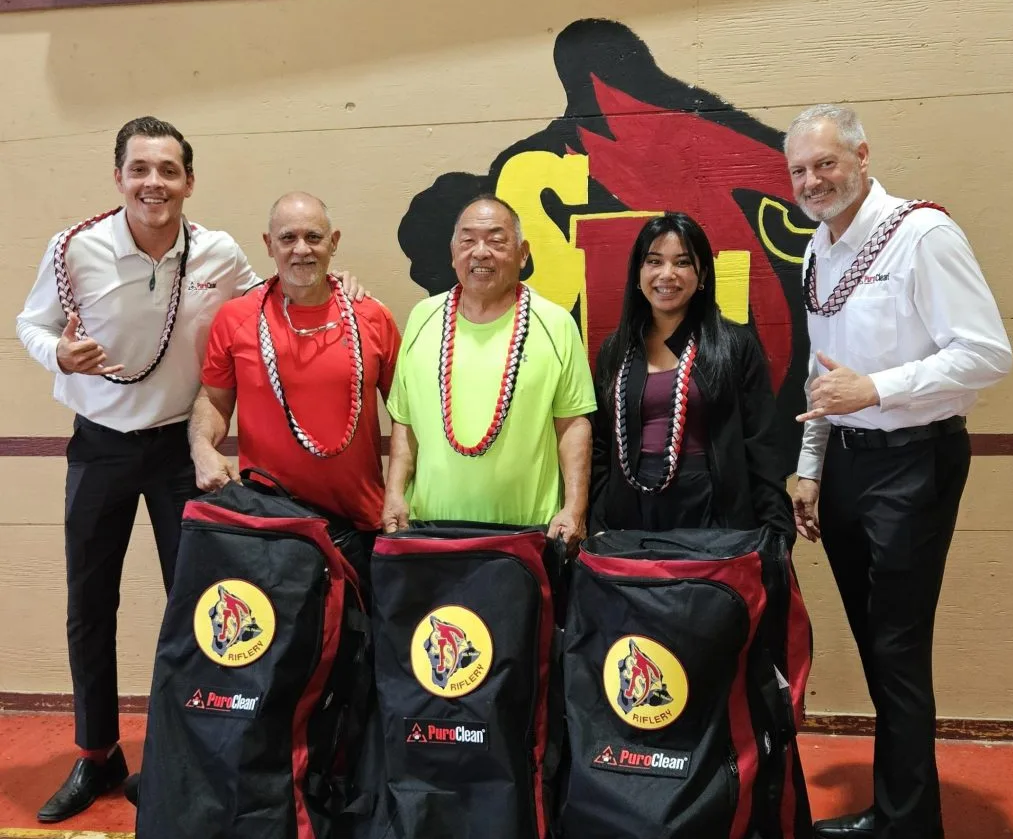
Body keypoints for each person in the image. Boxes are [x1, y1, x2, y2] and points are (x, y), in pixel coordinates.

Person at [15, 117, 364, 824]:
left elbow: (271, 293)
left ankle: (181, 750)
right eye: (140, 168)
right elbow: (32, 323)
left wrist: (336, 280)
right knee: (91, 603)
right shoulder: (73, 248)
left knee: (197, 606)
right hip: (101, 443)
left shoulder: (216, 251)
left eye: (168, 170)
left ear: (189, 182)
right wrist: (58, 354)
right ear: (118, 177)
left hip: (180, 448)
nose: (154, 183)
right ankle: (96, 752)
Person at [785, 104, 1012, 839]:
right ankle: (899, 801)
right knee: (881, 649)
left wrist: (876, 390)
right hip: (846, 460)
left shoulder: (921, 236)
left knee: (900, 655)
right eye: (799, 171)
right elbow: (822, 372)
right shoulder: (820, 246)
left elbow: (987, 353)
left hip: (914, 461)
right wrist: (811, 461)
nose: (812, 182)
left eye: (824, 165)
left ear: (861, 156)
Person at [190, 191, 399, 580]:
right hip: (271, 525)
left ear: (333, 243)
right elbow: (214, 401)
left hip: (362, 524)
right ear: (269, 245)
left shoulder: (371, 316)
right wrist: (201, 447)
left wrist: (401, 492)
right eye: (288, 238)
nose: (301, 249)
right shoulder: (235, 318)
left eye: (313, 238)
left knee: (359, 640)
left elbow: (405, 416)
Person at [381, 196, 595, 548]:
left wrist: (575, 509)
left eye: (497, 241)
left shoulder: (555, 325)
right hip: (429, 531)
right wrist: (394, 493)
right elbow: (405, 421)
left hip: (525, 536)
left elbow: (572, 425)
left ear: (523, 253)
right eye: (467, 241)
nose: (480, 252)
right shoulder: (423, 318)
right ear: (453, 253)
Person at [590, 213, 794, 543]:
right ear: (638, 273)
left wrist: (777, 531)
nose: (666, 274)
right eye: (654, 261)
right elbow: (601, 445)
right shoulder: (617, 349)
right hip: (631, 508)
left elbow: (762, 444)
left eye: (682, 262)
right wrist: (597, 521)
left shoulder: (734, 345)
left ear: (701, 275)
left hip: (712, 507)